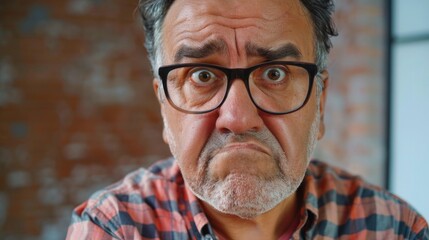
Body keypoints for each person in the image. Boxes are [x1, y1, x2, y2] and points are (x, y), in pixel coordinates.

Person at [66, 0, 428, 239]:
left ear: (320, 104)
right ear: (164, 106)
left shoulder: (393, 228)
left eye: (274, 74)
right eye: (202, 76)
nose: (238, 118)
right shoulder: (113, 229)